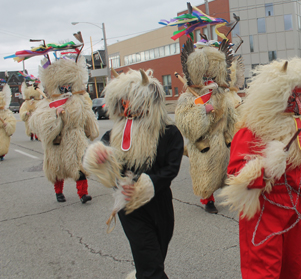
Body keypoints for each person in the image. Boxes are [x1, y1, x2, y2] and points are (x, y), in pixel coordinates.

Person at [221, 58, 301, 279]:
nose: (299, 106)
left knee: (293, 269)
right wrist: (264, 170)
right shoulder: (251, 131)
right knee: (263, 272)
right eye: (293, 99)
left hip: (296, 212)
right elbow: (235, 172)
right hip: (265, 213)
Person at [84, 69, 183, 279]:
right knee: (151, 265)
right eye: (125, 101)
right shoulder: (114, 134)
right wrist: (100, 158)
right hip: (130, 206)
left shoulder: (168, 132)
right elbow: (106, 165)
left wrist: (146, 185)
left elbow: (171, 168)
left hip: (160, 203)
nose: (128, 105)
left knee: (155, 255)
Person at [175, 38, 237, 214]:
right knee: (205, 173)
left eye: (211, 76)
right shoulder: (188, 97)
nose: (209, 79)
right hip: (204, 143)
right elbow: (184, 122)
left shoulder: (220, 94)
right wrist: (202, 110)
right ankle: (208, 199)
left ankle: (227, 194)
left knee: (225, 170)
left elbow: (232, 118)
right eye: (205, 76)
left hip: (222, 142)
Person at [30, 55, 99, 203]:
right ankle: (59, 192)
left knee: (80, 168)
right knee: (57, 170)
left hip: (76, 140)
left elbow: (87, 116)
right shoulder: (48, 102)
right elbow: (37, 122)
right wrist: (54, 115)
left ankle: (83, 194)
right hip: (58, 142)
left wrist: (90, 129)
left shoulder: (78, 101)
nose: (66, 88)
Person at [0, 84, 17, 161]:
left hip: (3, 131)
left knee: (3, 143)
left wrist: (7, 124)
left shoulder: (7, 112)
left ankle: (1, 154)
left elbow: (11, 121)